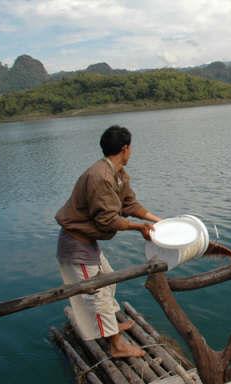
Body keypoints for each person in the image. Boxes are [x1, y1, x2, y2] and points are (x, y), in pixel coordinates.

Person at [55, 125, 161, 358]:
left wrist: (159, 221)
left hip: (88, 244)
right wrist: (139, 228)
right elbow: (108, 220)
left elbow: (129, 204)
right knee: (97, 294)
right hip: (76, 247)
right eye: (131, 147)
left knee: (108, 280)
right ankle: (116, 345)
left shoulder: (118, 173)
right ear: (125, 148)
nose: (131, 151)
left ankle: (110, 326)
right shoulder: (100, 177)